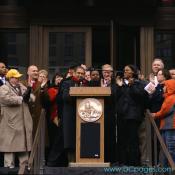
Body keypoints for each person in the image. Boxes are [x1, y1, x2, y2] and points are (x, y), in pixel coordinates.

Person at [0, 69, 32, 169]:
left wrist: (29, 91)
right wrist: (20, 99)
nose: (18, 79)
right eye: (15, 77)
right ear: (10, 78)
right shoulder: (3, 88)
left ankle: (25, 166)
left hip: (22, 121)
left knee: (23, 145)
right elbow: (5, 99)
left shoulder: (21, 86)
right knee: (9, 145)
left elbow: (30, 97)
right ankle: (8, 167)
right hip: (10, 121)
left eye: (18, 77)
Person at [115, 64, 147, 166]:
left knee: (133, 140)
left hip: (133, 116)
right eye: (124, 70)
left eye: (127, 70)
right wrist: (119, 87)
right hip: (121, 116)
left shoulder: (139, 83)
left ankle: (134, 163)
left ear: (133, 72)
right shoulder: (121, 84)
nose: (125, 72)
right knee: (122, 140)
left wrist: (132, 85)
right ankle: (123, 162)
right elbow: (116, 98)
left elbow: (140, 97)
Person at [61, 66, 87, 163]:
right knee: (70, 140)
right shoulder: (67, 83)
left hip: (84, 115)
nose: (80, 75)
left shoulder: (86, 84)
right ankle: (71, 163)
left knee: (84, 138)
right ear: (74, 73)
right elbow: (65, 97)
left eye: (82, 74)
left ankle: (83, 161)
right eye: (78, 73)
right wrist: (77, 91)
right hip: (70, 115)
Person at [151, 79, 175, 167]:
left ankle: (170, 168)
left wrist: (155, 115)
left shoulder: (171, 98)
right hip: (168, 126)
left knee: (170, 149)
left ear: (170, 87)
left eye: (165, 86)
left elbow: (164, 111)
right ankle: (166, 168)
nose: (164, 88)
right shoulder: (169, 97)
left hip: (171, 127)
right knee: (166, 149)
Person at [101, 64, 116, 164]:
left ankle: (111, 159)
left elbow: (115, 98)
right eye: (105, 71)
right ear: (102, 72)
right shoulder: (96, 82)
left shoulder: (116, 83)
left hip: (111, 114)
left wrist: (107, 88)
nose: (107, 73)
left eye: (109, 71)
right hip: (98, 113)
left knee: (110, 138)